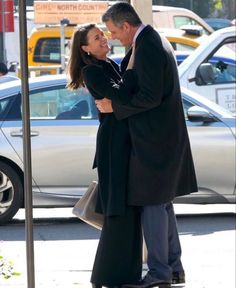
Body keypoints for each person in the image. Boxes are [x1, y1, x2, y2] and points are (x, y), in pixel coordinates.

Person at [95, 2, 198, 288]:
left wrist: (113, 107)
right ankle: (173, 268)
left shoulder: (149, 45)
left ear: (126, 26)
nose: (112, 37)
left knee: (152, 205)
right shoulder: (152, 39)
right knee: (162, 205)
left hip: (154, 143)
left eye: (113, 31)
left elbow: (150, 97)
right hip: (161, 140)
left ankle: (159, 273)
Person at [67, 24, 143, 288]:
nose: (104, 40)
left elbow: (123, 98)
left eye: (103, 35)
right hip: (113, 146)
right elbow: (123, 93)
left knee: (129, 207)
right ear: (85, 48)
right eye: (96, 38)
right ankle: (106, 275)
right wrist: (132, 68)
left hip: (123, 141)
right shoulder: (92, 71)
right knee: (116, 209)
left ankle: (127, 273)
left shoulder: (109, 64)